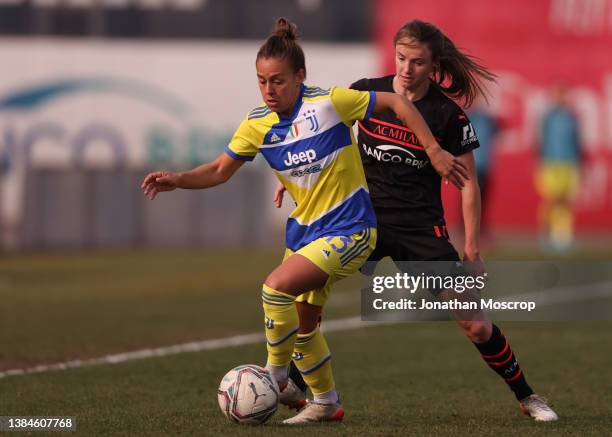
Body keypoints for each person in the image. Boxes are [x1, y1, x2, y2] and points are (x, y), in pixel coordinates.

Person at [141, 18, 467, 425]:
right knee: (305, 325)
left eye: (277, 81)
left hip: (351, 229)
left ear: (300, 76)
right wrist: (178, 179)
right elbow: (220, 170)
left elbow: (399, 103)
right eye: (261, 81)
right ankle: (326, 401)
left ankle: (276, 376)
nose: (268, 90)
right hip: (305, 233)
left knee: (273, 288)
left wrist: (434, 150)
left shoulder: (329, 103)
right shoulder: (257, 124)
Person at [277, 19, 558, 422]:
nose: (407, 69)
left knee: (475, 324)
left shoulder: (447, 115)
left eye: (418, 62)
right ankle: (294, 384)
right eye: (402, 58)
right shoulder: (366, 91)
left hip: (420, 230)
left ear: (434, 65)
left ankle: (528, 396)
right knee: (307, 291)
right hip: (361, 220)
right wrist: (294, 180)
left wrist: (473, 248)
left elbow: (469, 186)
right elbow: (318, 138)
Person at [536, 83, 583, 251]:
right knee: (552, 199)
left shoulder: (572, 117)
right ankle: (546, 234)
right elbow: (540, 141)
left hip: (569, 162)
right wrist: (539, 162)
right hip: (550, 163)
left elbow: (577, 141)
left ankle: (562, 236)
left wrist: (580, 161)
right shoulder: (548, 117)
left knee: (566, 200)